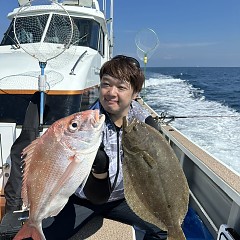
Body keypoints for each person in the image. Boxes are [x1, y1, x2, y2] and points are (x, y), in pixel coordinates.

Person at [42, 55, 167, 240]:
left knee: (165, 228)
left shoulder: (143, 121)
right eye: (106, 84)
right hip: (82, 199)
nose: (111, 92)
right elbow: (94, 195)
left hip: (124, 199)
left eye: (121, 87)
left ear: (135, 93)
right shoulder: (86, 124)